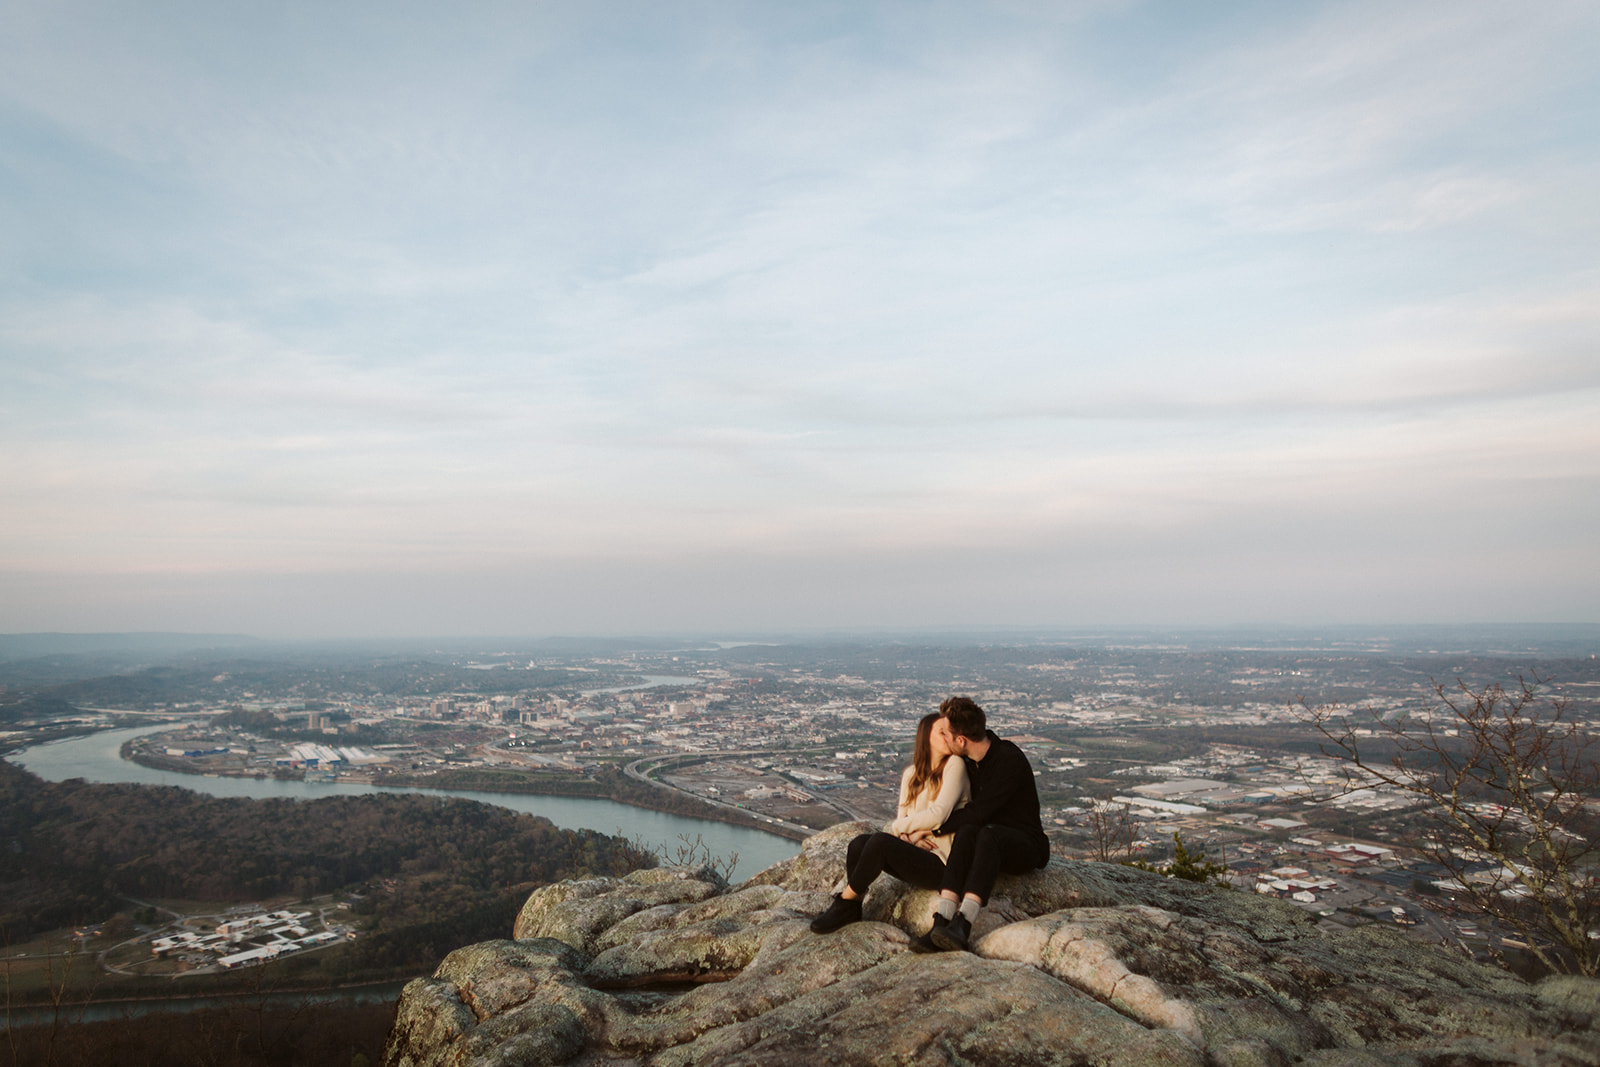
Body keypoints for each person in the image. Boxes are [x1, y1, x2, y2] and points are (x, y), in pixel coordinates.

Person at [810, 712, 970, 934]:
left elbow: (938, 815)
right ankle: (853, 907)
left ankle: (845, 902)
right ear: (926, 738)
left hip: (943, 863)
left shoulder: (955, 765)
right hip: (918, 854)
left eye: (950, 732)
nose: (949, 737)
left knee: (880, 843)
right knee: (858, 844)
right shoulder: (911, 774)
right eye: (942, 732)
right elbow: (903, 818)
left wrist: (903, 831)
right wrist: (912, 837)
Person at [911, 696, 1049, 953]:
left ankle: (963, 924)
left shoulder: (1008, 760)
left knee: (985, 833)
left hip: (1025, 846)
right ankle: (942, 922)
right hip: (989, 839)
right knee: (968, 832)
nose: (945, 740)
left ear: (961, 740)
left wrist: (933, 829)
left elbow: (979, 812)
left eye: (947, 735)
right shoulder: (968, 762)